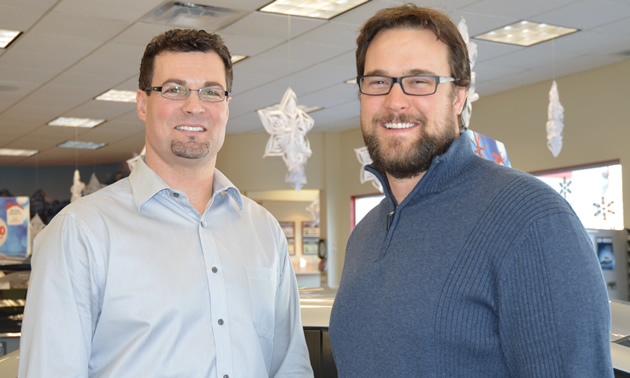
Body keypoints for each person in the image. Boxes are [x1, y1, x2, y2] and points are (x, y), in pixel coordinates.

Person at [328, 5, 613, 377]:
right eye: (378, 81)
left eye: (419, 81)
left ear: (459, 96)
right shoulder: (364, 234)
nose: (395, 101)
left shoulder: (533, 220)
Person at [19, 29, 313, 377]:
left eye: (211, 91)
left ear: (226, 107)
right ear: (143, 103)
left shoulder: (264, 230)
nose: (194, 105)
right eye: (174, 89)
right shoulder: (80, 233)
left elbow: (290, 367)